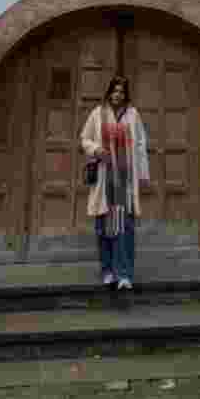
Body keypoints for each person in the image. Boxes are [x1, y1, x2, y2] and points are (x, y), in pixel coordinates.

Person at [80, 74, 150, 291]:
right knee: (104, 228)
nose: (118, 95)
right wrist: (95, 149)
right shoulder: (97, 114)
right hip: (104, 180)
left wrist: (143, 175)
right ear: (109, 91)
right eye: (115, 90)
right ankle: (108, 271)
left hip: (125, 182)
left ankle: (125, 274)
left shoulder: (133, 114)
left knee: (124, 228)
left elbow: (140, 145)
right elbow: (84, 138)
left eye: (122, 91)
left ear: (126, 94)